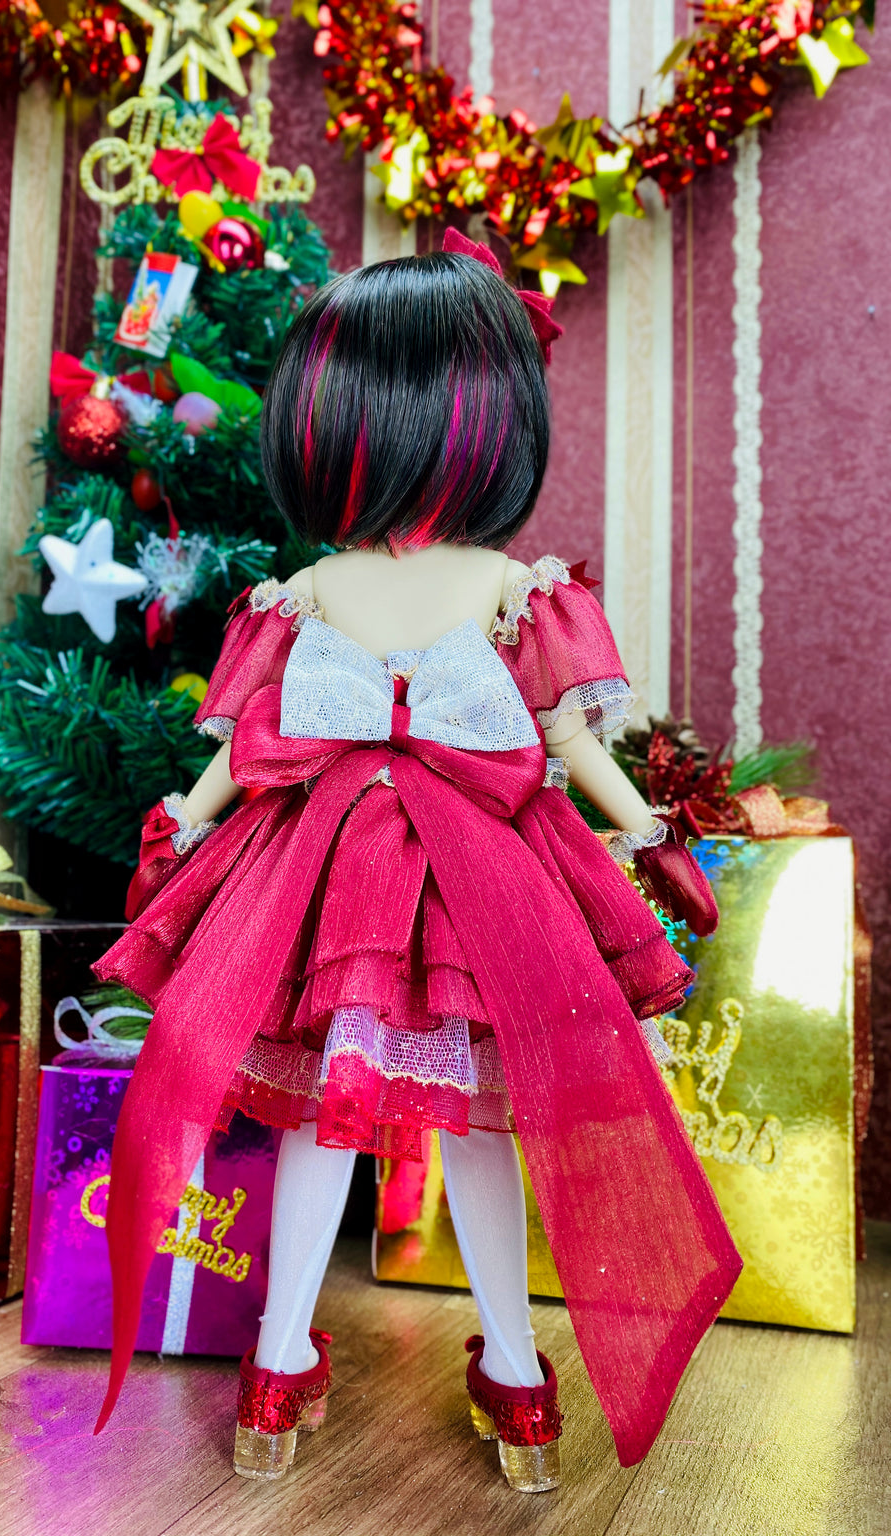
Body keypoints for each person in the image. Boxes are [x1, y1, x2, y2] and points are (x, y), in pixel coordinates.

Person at [91, 230, 741, 1492]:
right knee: (481, 1127)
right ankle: (517, 1384)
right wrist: (646, 828)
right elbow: (560, 740)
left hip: (355, 874)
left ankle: (279, 1373)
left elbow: (254, 744)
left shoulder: (320, 587)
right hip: (456, 881)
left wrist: (187, 818)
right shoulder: (491, 583)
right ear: (490, 421)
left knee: (331, 1123)